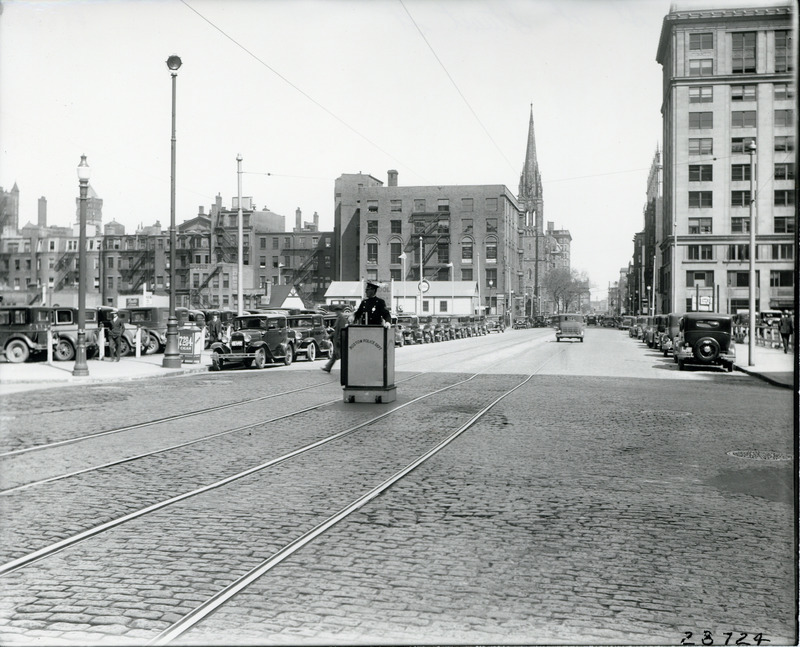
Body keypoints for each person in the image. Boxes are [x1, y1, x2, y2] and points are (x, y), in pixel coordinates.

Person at [321, 305, 349, 373]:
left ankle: (346, 369)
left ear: (340, 311)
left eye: (337, 311)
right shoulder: (339, 318)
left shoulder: (342, 319)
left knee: (340, 355)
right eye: (336, 311)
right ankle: (328, 367)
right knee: (335, 355)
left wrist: (339, 339)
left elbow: (342, 330)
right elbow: (336, 331)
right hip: (337, 339)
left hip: (340, 340)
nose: (336, 312)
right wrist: (330, 336)